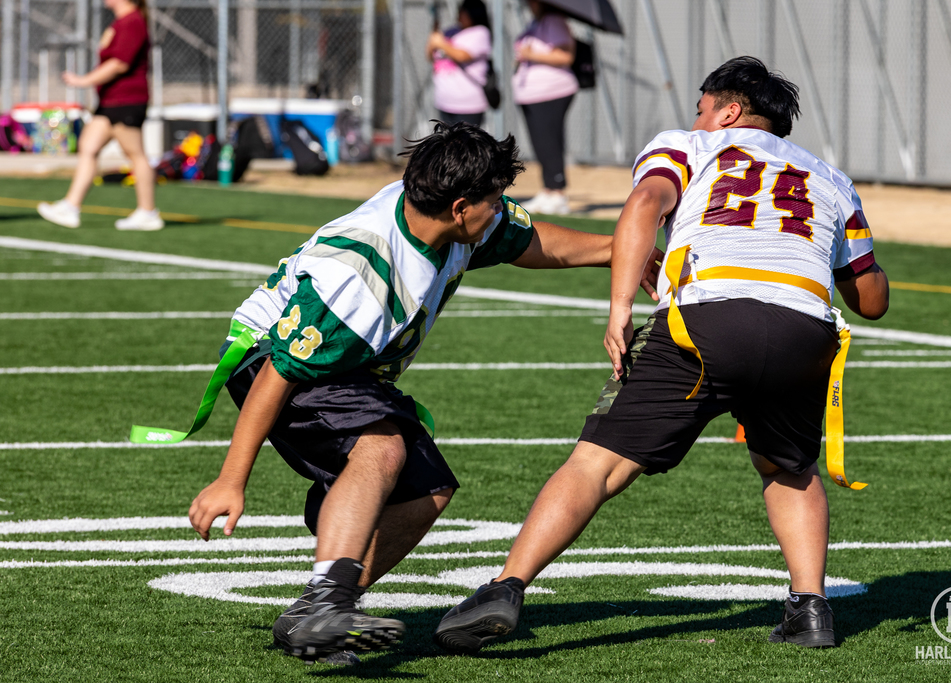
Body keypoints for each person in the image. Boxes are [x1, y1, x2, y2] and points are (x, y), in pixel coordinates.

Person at [433, 56, 890, 653]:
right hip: (805, 329)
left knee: (598, 462)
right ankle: (811, 609)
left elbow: (647, 205)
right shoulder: (830, 177)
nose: (696, 117)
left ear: (728, 110)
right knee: (789, 467)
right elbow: (871, 299)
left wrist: (620, 305)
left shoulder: (689, 145)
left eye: (702, 107)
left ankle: (504, 589)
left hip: (709, 316)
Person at [187, 122, 661, 664]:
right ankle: (327, 600)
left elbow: (531, 241)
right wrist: (232, 478)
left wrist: (620, 251)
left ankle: (314, 614)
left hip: (346, 366)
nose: (502, 208)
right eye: (495, 199)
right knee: (382, 446)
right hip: (270, 357)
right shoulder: (361, 273)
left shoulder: (447, 218)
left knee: (425, 492)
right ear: (460, 207)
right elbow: (279, 373)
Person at [37, 0, 162, 231]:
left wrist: (83, 81)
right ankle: (70, 207)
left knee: (135, 154)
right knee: (88, 146)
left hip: (127, 101)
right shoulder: (121, 22)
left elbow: (119, 64)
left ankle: (148, 212)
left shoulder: (132, 21)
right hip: (110, 102)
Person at [514, 0, 578, 216]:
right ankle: (548, 189)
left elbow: (565, 55)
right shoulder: (536, 23)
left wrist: (531, 54)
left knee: (550, 142)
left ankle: (558, 193)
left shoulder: (554, 21)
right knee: (540, 143)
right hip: (531, 95)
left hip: (552, 92)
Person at [427, 0, 492, 127]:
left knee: (464, 145)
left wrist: (441, 43)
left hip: (468, 105)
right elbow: (431, 55)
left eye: (463, 11)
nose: (459, 14)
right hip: (444, 101)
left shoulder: (480, 32)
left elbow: (461, 56)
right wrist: (433, 34)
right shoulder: (451, 31)